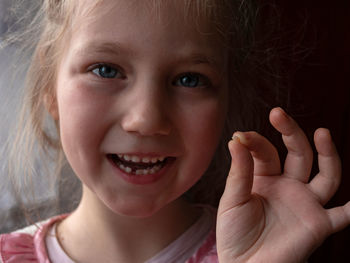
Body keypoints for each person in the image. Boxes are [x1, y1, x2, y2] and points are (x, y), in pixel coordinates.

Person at [0, 0, 349, 262]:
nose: (147, 119)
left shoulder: (261, 250)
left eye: (189, 79)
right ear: (50, 86)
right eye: (105, 70)